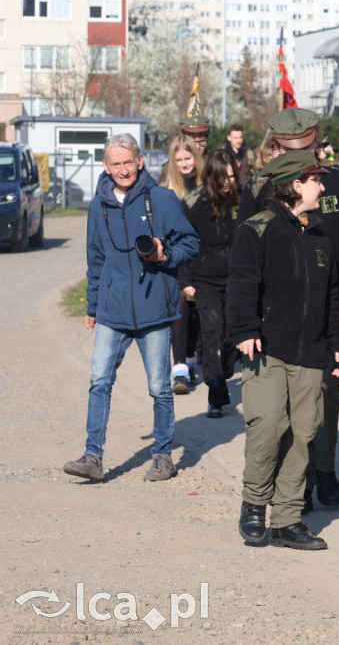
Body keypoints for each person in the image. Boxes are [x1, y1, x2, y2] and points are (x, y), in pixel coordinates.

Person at [227, 150, 339, 551]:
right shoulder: (257, 229)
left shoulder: (320, 236)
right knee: (267, 426)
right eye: (316, 180)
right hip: (267, 348)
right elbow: (242, 282)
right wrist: (245, 329)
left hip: (311, 353)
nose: (322, 186)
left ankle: (286, 519)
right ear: (296, 185)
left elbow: (333, 298)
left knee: (302, 434)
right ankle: (254, 504)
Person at [62, 134, 199, 483]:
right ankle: (92, 457)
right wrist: (93, 305)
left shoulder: (162, 199)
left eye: (128, 162)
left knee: (159, 387)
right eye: (115, 164)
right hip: (112, 310)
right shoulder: (98, 206)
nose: (122, 169)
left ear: (140, 161)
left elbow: (191, 243)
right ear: (106, 167)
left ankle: (163, 457)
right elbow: (95, 260)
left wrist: (164, 254)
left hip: (155, 309)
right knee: (99, 381)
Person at [179, 149, 241, 419]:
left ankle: (222, 375)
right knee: (213, 335)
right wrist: (186, 281)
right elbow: (182, 243)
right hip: (205, 281)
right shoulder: (194, 204)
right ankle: (216, 395)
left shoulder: (243, 200)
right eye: (223, 177)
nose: (228, 182)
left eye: (232, 176)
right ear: (211, 178)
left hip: (238, 281)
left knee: (230, 340)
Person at [162, 134, 205, 394]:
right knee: (180, 309)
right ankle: (179, 371)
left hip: (203, 257)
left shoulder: (206, 186)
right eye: (178, 159)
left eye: (188, 158)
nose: (184, 164)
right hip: (177, 257)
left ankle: (189, 362)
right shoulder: (168, 190)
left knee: (197, 314)